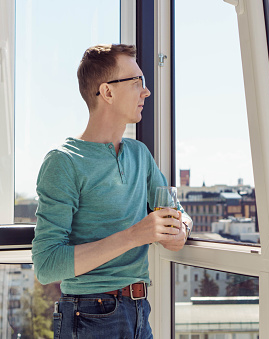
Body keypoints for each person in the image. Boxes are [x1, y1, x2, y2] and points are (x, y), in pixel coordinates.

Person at [31, 44, 192, 339]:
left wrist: (181, 229)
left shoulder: (140, 155)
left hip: (139, 311)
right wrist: (135, 236)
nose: (146, 92)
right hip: (89, 316)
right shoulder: (63, 162)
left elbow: (176, 212)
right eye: (137, 82)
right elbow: (47, 265)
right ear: (107, 92)